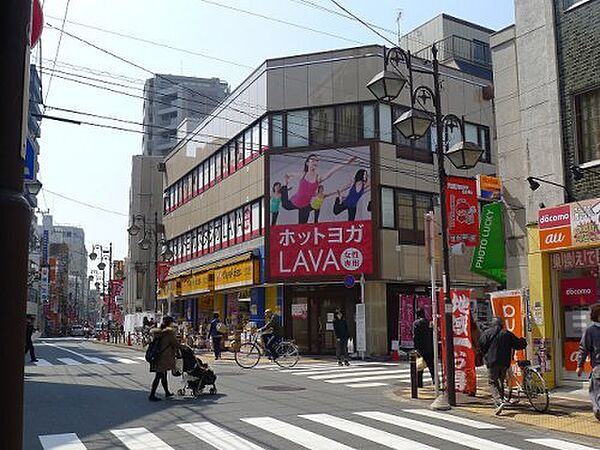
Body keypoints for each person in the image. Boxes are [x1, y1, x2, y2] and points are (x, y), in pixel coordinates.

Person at [280, 154, 354, 224]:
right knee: (284, 204)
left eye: (317, 160)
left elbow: (332, 170)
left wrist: (347, 162)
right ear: (307, 163)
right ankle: (284, 188)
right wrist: (286, 181)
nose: (315, 162)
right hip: (294, 202)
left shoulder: (318, 178)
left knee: (302, 226)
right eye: (313, 160)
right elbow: (288, 174)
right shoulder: (303, 175)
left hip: (305, 206)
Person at [478, 316, 527, 415]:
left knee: (492, 381)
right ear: (502, 325)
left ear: (492, 324)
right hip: (504, 362)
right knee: (500, 381)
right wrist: (523, 340)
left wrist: (485, 355)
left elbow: (481, 346)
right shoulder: (507, 334)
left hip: (492, 362)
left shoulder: (487, 333)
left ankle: (499, 402)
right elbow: (519, 345)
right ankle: (500, 401)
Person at [576, 303, 600, 421]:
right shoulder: (591, 330)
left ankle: (598, 412)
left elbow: (583, 349)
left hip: (598, 368)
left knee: (596, 393)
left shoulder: (590, 331)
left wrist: (579, 366)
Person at [148, 316, 179, 401]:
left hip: (158, 356)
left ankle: (167, 392)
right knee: (159, 376)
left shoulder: (158, 332)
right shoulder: (169, 333)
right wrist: (184, 347)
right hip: (164, 357)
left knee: (163, 375)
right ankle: (152, 395)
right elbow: (175, 344)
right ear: (170, 323)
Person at [412, 309, 434, 385]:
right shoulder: (429, 323)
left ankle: (419, 383)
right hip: (430, 347)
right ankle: (435, 381)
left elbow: (415, 337)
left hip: (421, 349)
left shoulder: (416, 323)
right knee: (431, 366)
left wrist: (416, 348)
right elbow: (432, 334)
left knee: (419, 366)